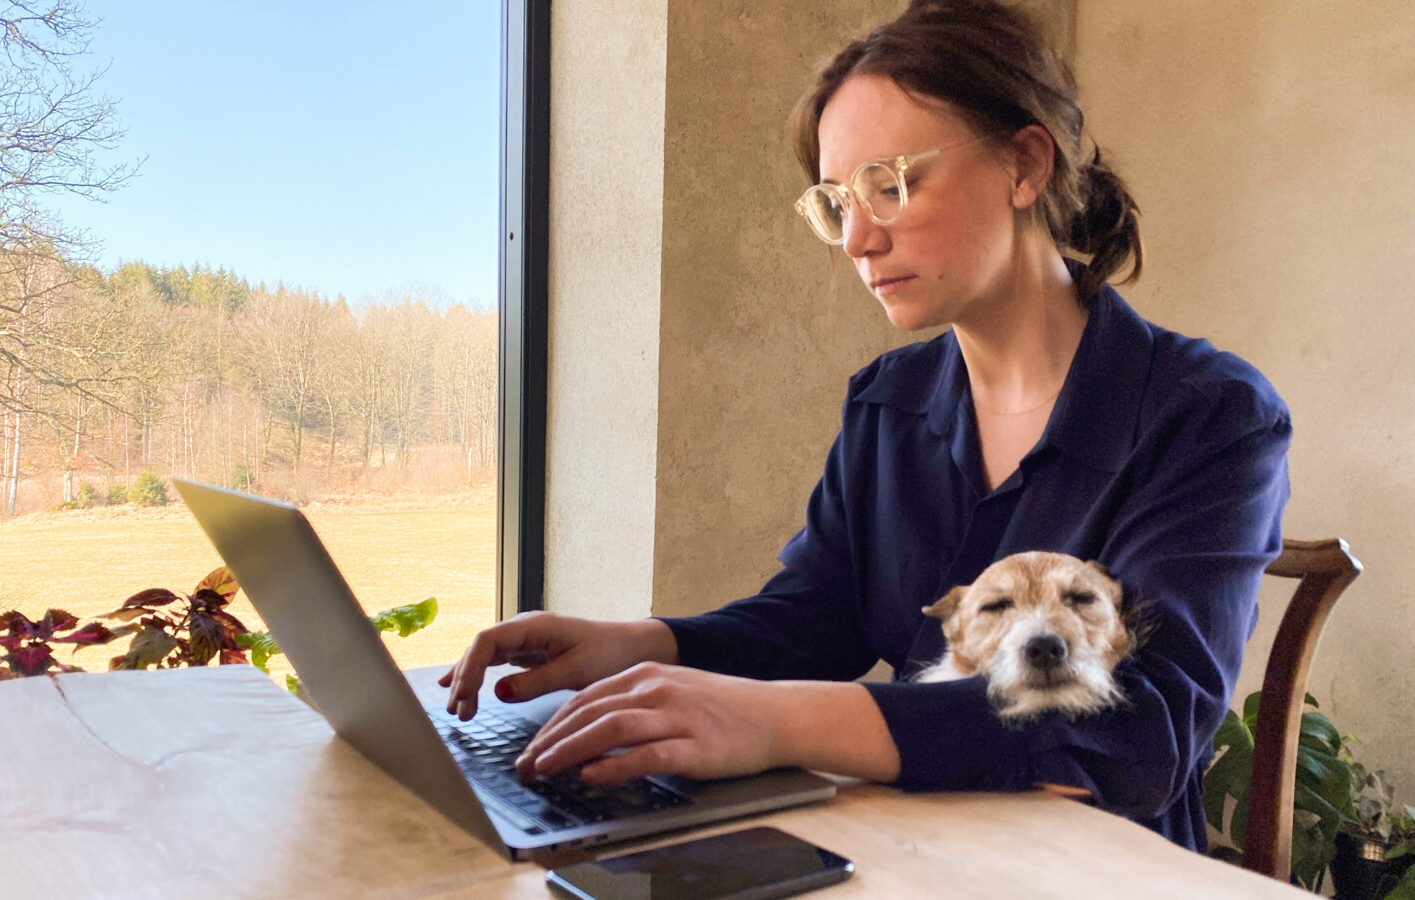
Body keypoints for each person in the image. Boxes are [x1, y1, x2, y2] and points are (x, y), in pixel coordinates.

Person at [441, 0, 1289, 854]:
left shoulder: (1209, 416)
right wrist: (640, 646)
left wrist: (775, 722)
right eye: (838, 202)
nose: (856, 238)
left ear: (1026, 164)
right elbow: (819, 619)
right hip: (909, 852)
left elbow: (1142, 734)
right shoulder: (889, 401)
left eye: (892, 185)